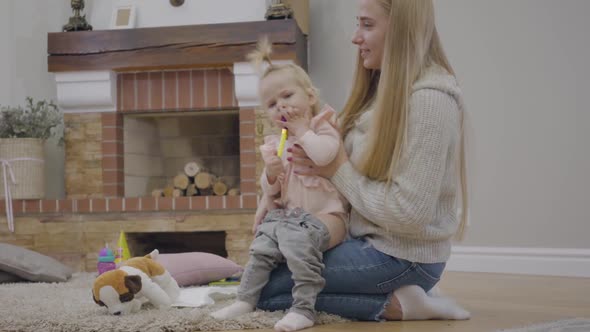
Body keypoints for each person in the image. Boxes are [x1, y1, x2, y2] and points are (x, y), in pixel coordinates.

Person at [254, 0, 471, 323]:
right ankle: (398, 295)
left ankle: (399, 305)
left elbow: (409, 215)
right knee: (264, 269)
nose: (356, 37)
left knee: (266, 291)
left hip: (402, 256)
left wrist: (335, 169)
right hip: (371, 243)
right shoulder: (381, 92)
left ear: (401, 30)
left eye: (367, 25)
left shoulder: (429, 100)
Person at [210, 39, 349, 332]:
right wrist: (271, 174)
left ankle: (304, 309)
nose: (281, 105)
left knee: (299, 241)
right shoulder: (278, 142)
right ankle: (245, 299)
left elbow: (325, 155)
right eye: (272, 104)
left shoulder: (323, 125)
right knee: (261, 245)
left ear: (310, 96)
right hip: (289, 219)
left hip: (329, 216)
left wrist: (302, 130)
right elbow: (271, 190)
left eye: (287, 95)